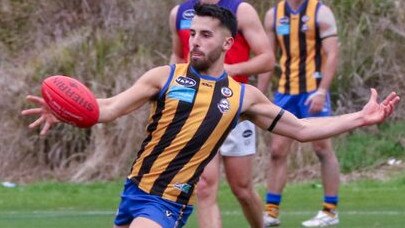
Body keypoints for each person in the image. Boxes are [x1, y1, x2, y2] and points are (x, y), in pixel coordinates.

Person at [22, 3, 399, 228]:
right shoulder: (163, 77)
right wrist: (64, 110)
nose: (194, 41)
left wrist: (359, 118)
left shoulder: (242, 96)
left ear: (227, 43)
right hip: (134, 191)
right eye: (192, 33)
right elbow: (105, 109)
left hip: (168, 201)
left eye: (205, 35)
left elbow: (300, 128)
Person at [169, 0, 274, 227]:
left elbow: (267, 59)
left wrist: (232, 70)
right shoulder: (179, 12)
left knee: (242, 189)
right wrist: (172, 97)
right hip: (197, 111)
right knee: (204, 186)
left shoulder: (241, 10)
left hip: (234, 109)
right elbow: (178, 56)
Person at [260, 0, 341, 226]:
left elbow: (332, 54)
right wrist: (258, 94)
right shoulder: (273, 15)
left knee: (322, 148)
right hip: (285, 93)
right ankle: (271, 212)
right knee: (277, 150)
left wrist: (322, 91)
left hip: (313, 92)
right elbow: (268, 58)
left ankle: (330, 211)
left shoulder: (321, 12)